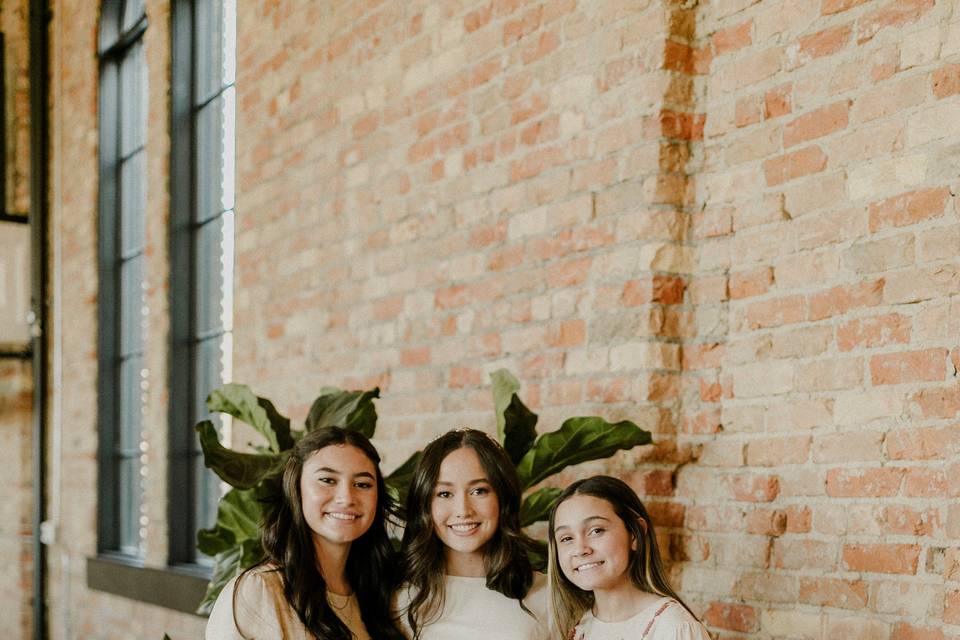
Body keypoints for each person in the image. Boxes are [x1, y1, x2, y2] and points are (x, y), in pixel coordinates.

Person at [206, 426, 405, 640]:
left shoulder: (381, 594)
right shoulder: (259, 591)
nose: (346, 497)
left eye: (362, 484)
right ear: (296, 489)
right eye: (327, 480)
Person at [397, 428, 548, 640]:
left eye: (479, 491)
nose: (463, 510)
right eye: (444, 494)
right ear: (425, 504)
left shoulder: (546, 594)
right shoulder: (399, 598)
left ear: (503, 497)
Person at [548, 475, 710, 640]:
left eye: (596, 530)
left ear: (634, 535)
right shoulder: (577, 629)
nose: (580, 550)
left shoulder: (674, 629)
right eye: (566, 538)